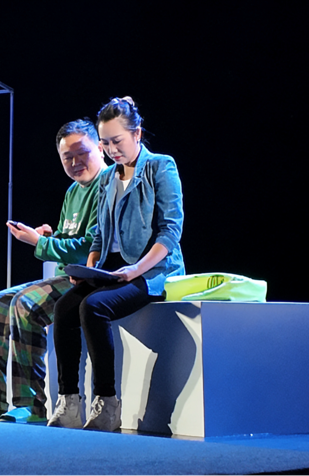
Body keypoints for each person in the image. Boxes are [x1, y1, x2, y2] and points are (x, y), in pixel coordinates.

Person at [0, 119, 107, 424]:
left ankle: (31, 405)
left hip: (92, 277)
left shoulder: (107, 186)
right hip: (68, 275)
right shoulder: (73, 191)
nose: (75, 163)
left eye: (82, 153)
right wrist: (50, 237)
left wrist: (39, 243)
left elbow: (91, 246)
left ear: (100, 148)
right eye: (67, 157)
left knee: (25, 304)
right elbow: (69, 240)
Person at [48, 97, 185, 432]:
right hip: (113, 271)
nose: (111, 150)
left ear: (137, 134)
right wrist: (89, 268)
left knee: (94, 308)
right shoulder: (108, 178)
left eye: (117, 141)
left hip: (152, 271)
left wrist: (136, 270)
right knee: (64, 309)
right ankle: (69, 402)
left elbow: (170, 232)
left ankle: (107, 403)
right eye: (105, 143)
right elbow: (99, 235)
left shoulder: (160, 166)